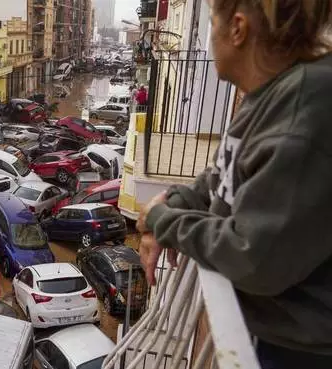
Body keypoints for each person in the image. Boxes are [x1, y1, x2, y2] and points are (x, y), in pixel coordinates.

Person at [136, 0, 332, 368]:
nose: (209, 37)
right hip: (272, 335)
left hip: (298, 354)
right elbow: (219, 178)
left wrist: (163, 219)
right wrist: (172, 204)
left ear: (238, 29)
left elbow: (252, 256)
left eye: (212, 22)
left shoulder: (303, 109)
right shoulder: (270, 94)